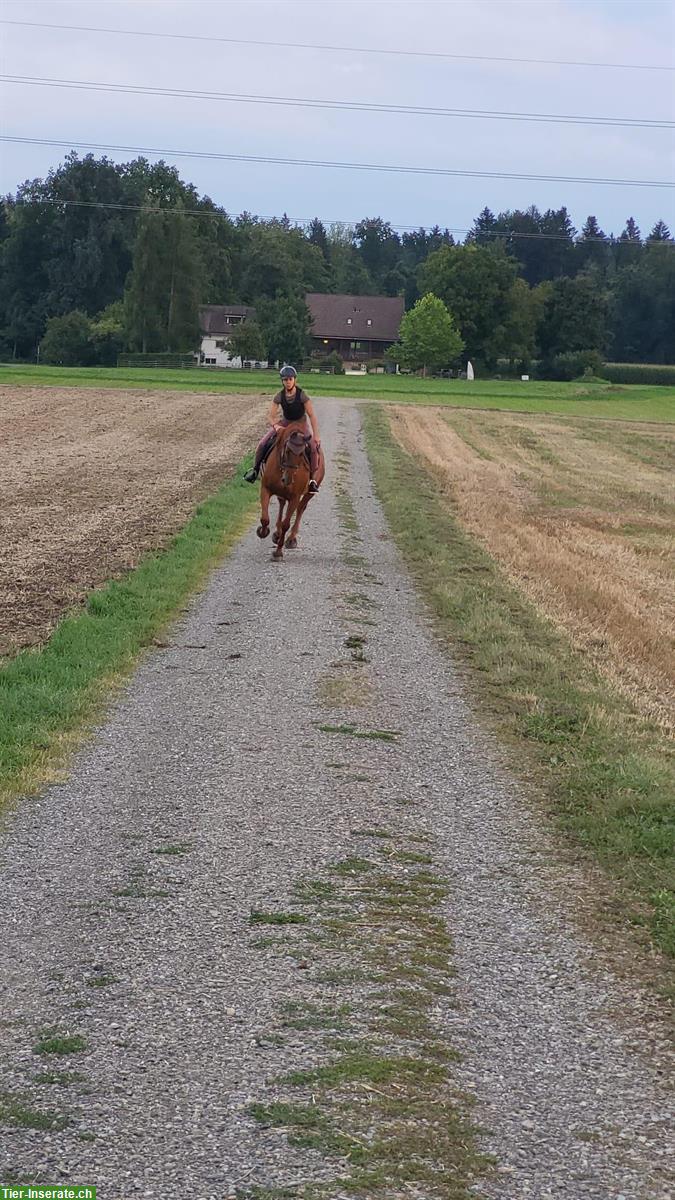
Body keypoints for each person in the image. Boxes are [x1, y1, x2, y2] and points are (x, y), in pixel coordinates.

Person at [244, 365, 322, 492]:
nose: (288, 382)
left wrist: (316, 435)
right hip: (285, 423)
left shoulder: (302, 395)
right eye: (285, 380)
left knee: (313, 447)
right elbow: (270, 416)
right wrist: (276, 426)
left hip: (301, 424)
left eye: (290, 379)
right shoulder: (279, 396)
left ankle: (312, 480)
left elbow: (312, 415)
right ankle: (255, 470)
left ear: (295, 380)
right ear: (282, 381)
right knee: (263, 443)